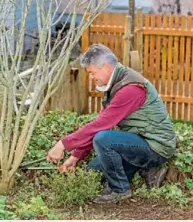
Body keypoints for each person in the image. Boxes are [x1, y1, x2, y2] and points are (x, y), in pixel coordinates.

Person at [46, 44, 176, 203]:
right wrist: (76, 156)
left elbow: (101, 126)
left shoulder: (131, 89)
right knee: (91, 171)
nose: (92, 78)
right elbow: (101, 122)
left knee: (103, 139)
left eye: (92, 73)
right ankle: (147, 170)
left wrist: (63, 144)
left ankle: (120, 189)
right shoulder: (118, 83)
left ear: (106, 67)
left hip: (156, 146)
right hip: (137, 140)